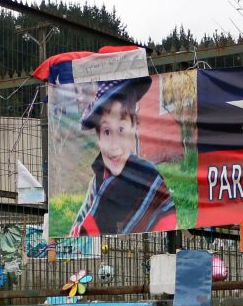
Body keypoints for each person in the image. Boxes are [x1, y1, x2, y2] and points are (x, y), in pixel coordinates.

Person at [69, 76, 176, 236]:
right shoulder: (97, 182)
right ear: (98, 138)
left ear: (134, 127)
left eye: (121, 129)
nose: (114, 145)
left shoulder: (150, 180)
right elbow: (79, 231)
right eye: (106, 131)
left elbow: (168, 225)